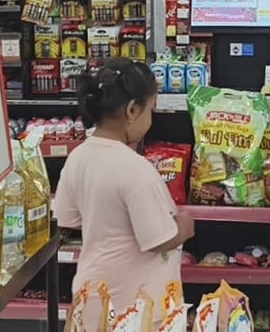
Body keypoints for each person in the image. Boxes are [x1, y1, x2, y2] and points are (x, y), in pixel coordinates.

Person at [53, 58, 193, 322]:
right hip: (135, 308)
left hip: (91, 299)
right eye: (150, 110)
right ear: (132, 110)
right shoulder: (136, 169)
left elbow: (68, 219)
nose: (150, 119)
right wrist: (183, 228)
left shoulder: (77, 157)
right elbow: (158, 240)